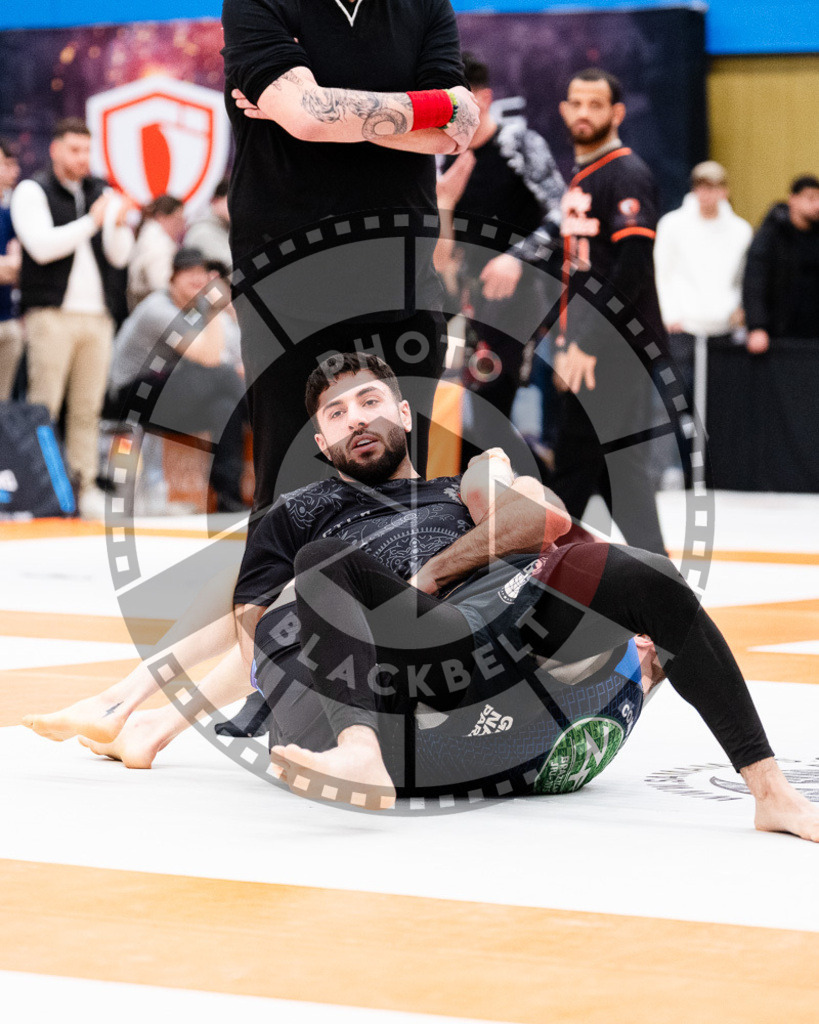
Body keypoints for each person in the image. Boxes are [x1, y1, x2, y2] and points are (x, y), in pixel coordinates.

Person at [23, 353, 819, 841]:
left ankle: (768, 792)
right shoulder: (294, 516)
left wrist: (432, 575)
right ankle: (357, 755)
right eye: (334, 415)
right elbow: (258, 640)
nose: (354, 418)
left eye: (369, 401)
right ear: (323, 445)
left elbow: (542, 520)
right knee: (324, 566)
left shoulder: (463, 484)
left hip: (481, 634)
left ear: (403, 415)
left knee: (643, 571)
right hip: (363, 674)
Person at [221, 0, 480, 511]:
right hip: (286, 287)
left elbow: (457, 132)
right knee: (290, 496)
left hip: (402, 281)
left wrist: (326, 105)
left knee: (404, 492)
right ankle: (273, 595)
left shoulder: (426, 6)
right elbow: (306, 119)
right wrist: (425, 107)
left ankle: (402, 591)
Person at [515, 69, 668, 554]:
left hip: (613, 350)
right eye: (576, 102)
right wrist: (550, 339)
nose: (584, 113)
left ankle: (534, 584)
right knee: (614, 474)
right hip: (589, 345)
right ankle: (664, 590)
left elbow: (633, 269)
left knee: (579, 467)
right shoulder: (583, 175)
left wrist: (584, 344)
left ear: (617, 113)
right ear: (563, 109)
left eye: (595, 104)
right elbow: (577, 278)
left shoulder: (626, 173)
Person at [10, 118, 135, 518]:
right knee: (43, 406)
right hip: (51, 312)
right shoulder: (33, 190)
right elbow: (42, 247)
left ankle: (81, 490)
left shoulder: (100, 190)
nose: (82, 158)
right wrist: (93, 222)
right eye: (74, 149)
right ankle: (38, 487)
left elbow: (119, 256)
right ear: (56, 150)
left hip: (97, 315)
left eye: (87, 150)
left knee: (87, 409)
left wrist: (117, 224)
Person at [435, 53, 565, 436]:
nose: (450, 116)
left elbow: (563, 213)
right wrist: (444, 204)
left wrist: (516, 259)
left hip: (526, 295)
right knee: (466, 418)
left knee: (498, 412)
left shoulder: (518, 144)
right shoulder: (441, 157)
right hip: (467, 301)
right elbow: (442, 256)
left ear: (485, 99)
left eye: (458, 104)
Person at [108, 247, 246, 514]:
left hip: (166, 395)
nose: (197, 280)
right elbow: (210, 358)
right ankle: (261, 415)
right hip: (130, 395)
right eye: (189, 274)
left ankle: (229, 500)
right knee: (225, 378)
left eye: (202, 274)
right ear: (172, 279)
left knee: (225, 407)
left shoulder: (194, 310)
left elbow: (228, 353)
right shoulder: (157, 308)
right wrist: (215, 307)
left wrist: (217, 308)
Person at [654, 161, 752, 485]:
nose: (707, 194)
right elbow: (663, 273)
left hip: (721, 329)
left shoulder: (740, 230)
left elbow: (742, 279)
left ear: (724, 190)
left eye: (714, 187)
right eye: (701, 187)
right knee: (675, 402)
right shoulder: (673, 224)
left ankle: (715, 476)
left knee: (717, 407)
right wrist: (671, 315)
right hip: (682, 328)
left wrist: (737, 309)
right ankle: (676, 471)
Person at [743, 175, 819, 354]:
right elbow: (755, 280)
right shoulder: (771, 234)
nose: (817, 205)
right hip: (778, 334)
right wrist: (757, 326)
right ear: (793, 199)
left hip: (814, 336)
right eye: (811, 198)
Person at [126, 194, 187, 312]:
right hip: (152, 309)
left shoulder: (153, 238)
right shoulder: (155, 242)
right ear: (161, 217)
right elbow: (160, 284)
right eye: (178, 219)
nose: (181, 226)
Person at [0, 139, 22, 401]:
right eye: (7, 164)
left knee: (3, 408)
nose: (12, 171)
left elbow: (16, 268)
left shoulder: (9, 214)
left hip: (9, 321)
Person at [183, 178, 232, 270]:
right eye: (231, 200)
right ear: (215, 201)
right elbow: (233, 266)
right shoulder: (202, 231)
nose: (237, 207)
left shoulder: (222, 227)